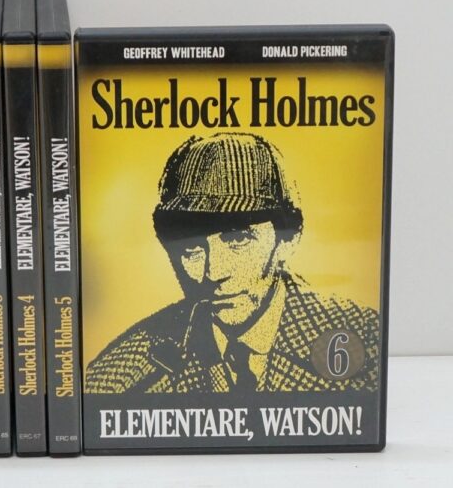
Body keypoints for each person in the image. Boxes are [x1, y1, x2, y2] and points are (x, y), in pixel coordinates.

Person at [85, 133, 380, 394]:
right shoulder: (119, 376)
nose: (214, 272)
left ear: (287, 239)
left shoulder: (365, 340)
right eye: (191, 246)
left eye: (238, 239)